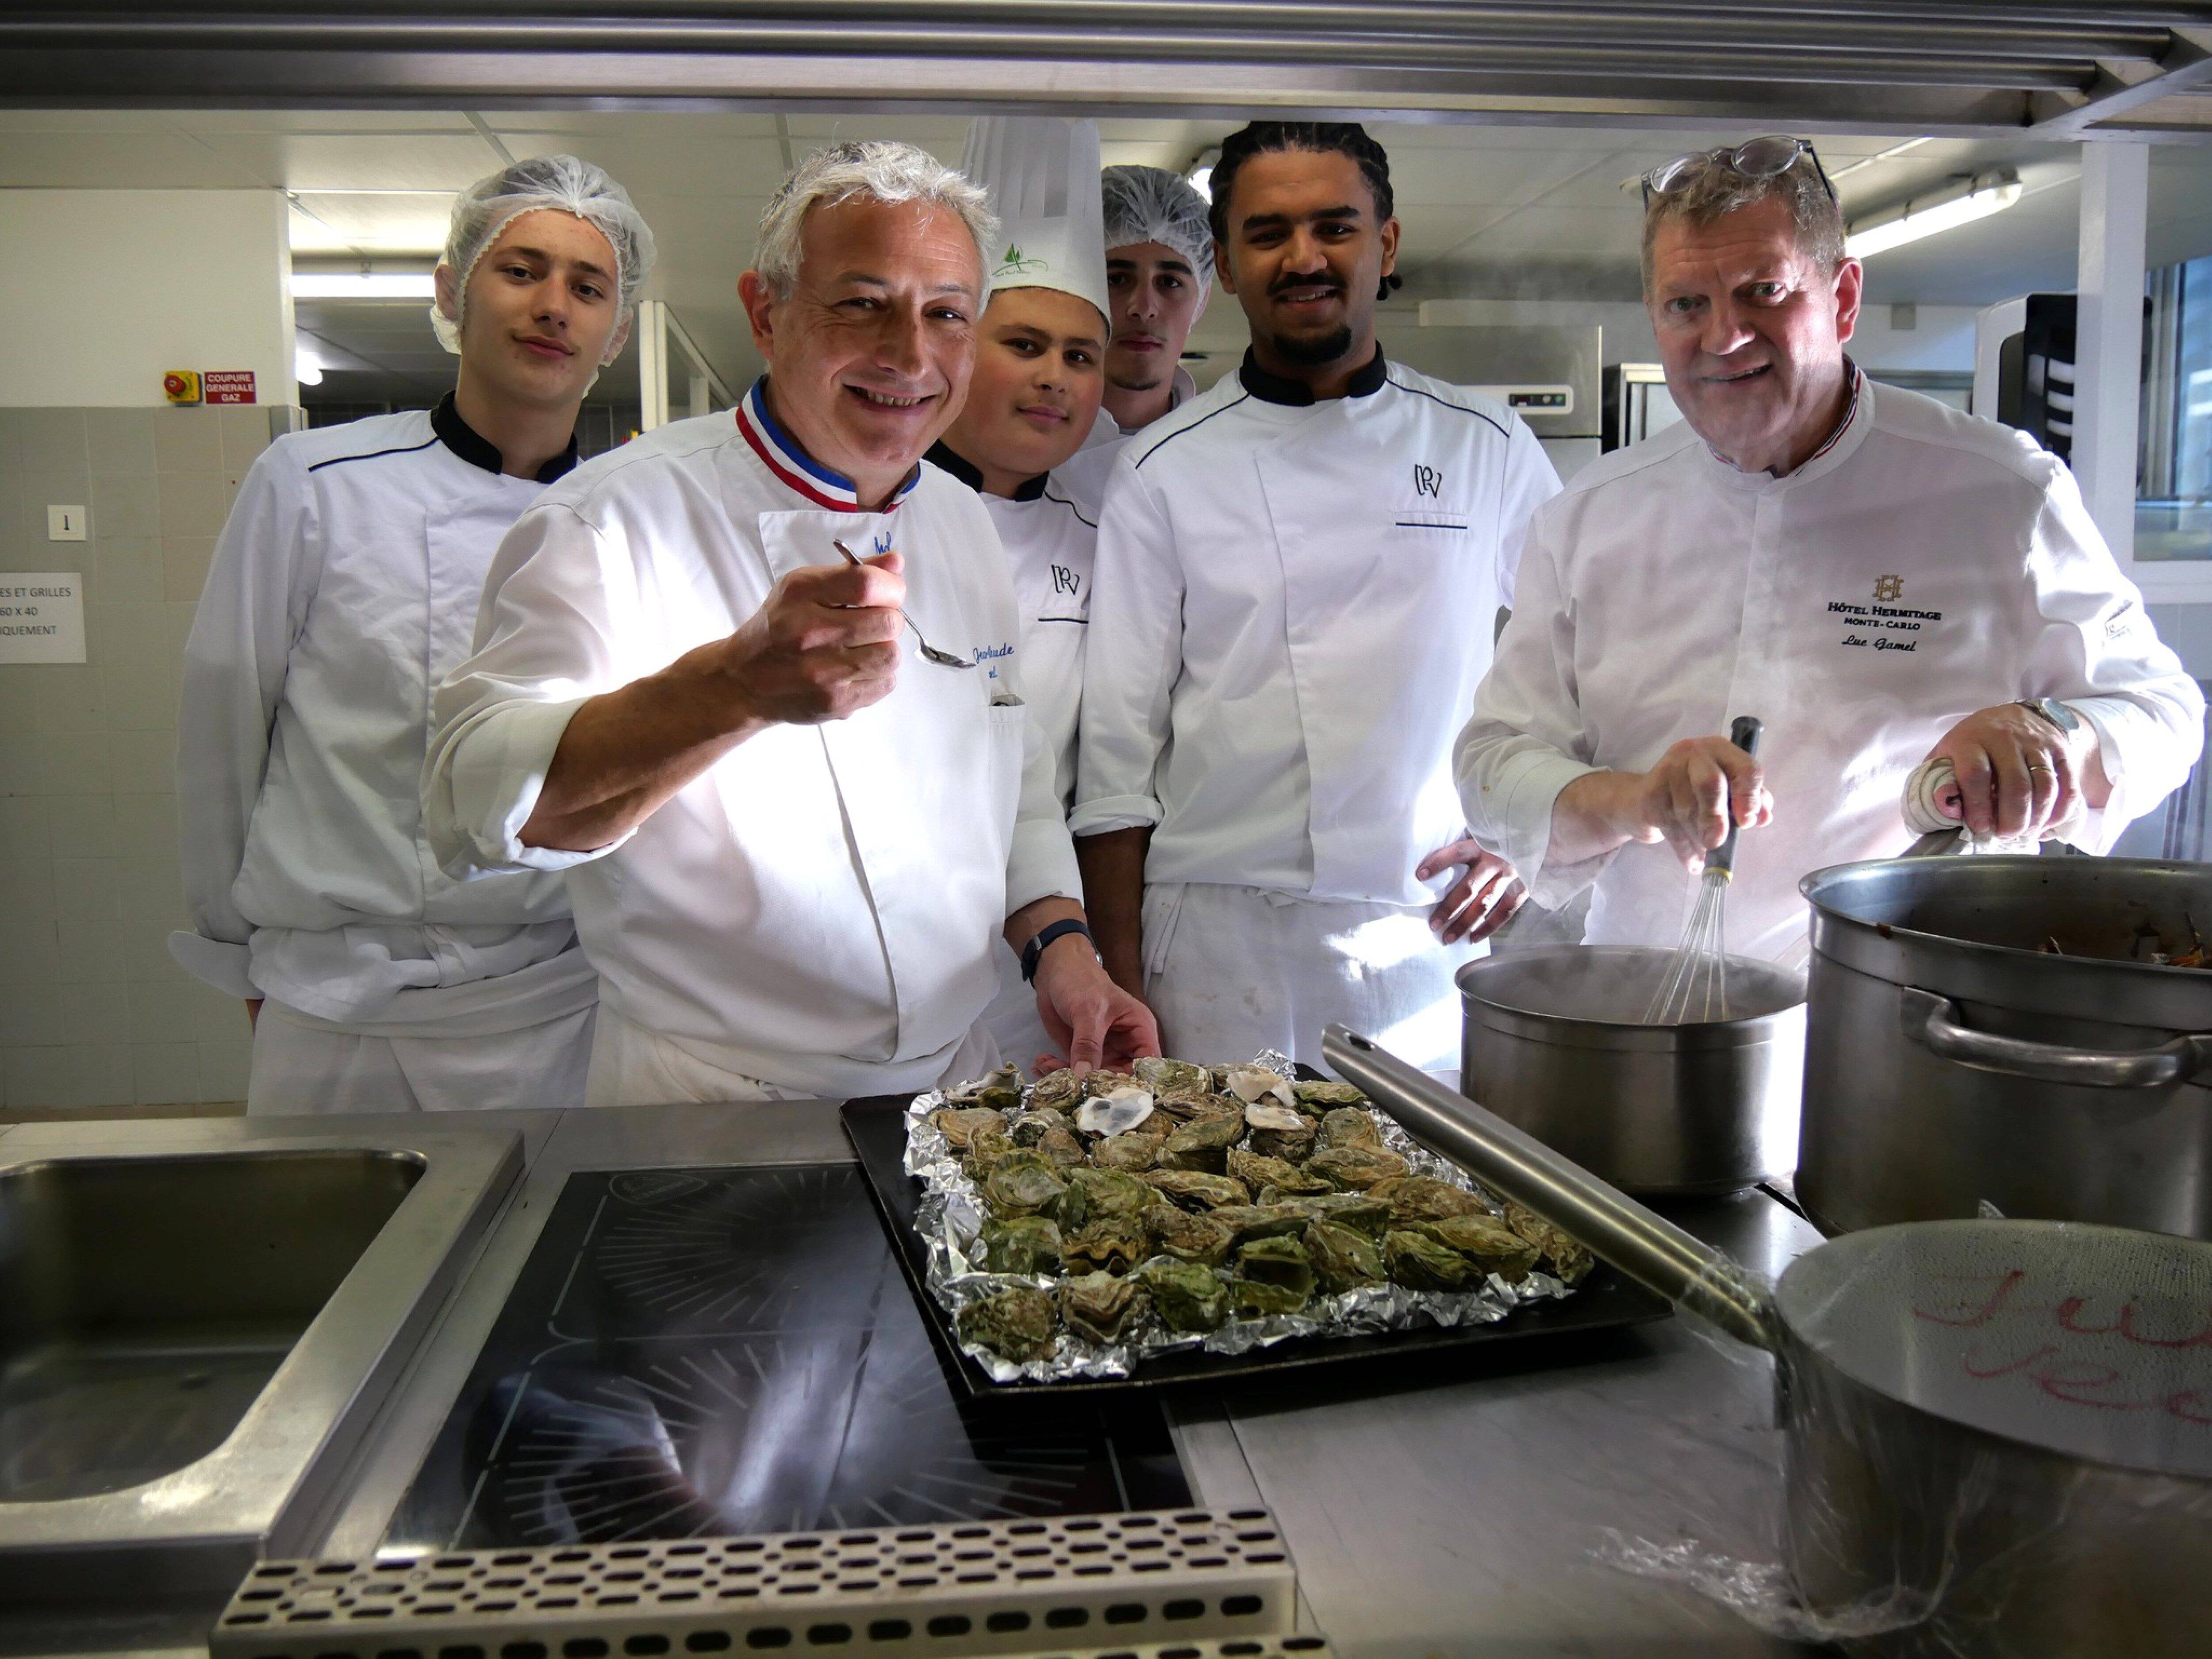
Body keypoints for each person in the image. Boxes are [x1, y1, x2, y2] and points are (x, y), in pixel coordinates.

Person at [424, 142, 1158, 1106]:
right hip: (714, 1099)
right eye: (861, 303)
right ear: (766, 314)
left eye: (945, 314)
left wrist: (1062, 949)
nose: (907, 354)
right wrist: (730, 691)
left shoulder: (959, 520)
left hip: (954, 1086)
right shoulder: (612, 518)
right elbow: (473, 806)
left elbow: (1011, 790)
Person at [1456, 136, 2204, 964]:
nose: (1724, 338)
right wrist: (1639, 800)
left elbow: (2164, 713)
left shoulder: (2003, 495)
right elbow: (1494, 767)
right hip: (1644, 1011)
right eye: (1686, 305)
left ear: (1843, 298)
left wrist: (2060, 735)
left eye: (1763, 293)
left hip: (1905, 1010)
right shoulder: (1590, 518)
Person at [1073, 122, 1561, 1075]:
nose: (1303, 258)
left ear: (1384, 244)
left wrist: (1526, 842)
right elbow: (1116, 762)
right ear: (1227, 261)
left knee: (1434, 1217)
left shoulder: (1485, 448)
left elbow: (1587, 663)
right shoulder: (1163, 471)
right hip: (1211, 938)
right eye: (1267, 234)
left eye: (1333, 227)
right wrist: (1125, 989)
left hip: (1426, 927)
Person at [174, 156, 655, 1113]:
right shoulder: (314, 484)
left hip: (567, 1002)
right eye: (521, 271)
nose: (554, 305)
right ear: (452, 291)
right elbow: (223, 732)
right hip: (341, 1011)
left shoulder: (639, 515)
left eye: (587, 286)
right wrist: (242, 962)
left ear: (616, 332)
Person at [933, 116, 1126, 1071]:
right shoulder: (866, 519)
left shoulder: (1108, 550)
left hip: (1048, 964)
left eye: (1080, 356)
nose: (1055, 378)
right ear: (962, 350)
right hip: (873, 964)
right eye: (1024, 343)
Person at [1096, 165, 1213, 435]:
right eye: (1116, 279)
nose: (1143, 308)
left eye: (1170, 282)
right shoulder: (1009, 448)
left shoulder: (1228, 453)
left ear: (1201, 300)